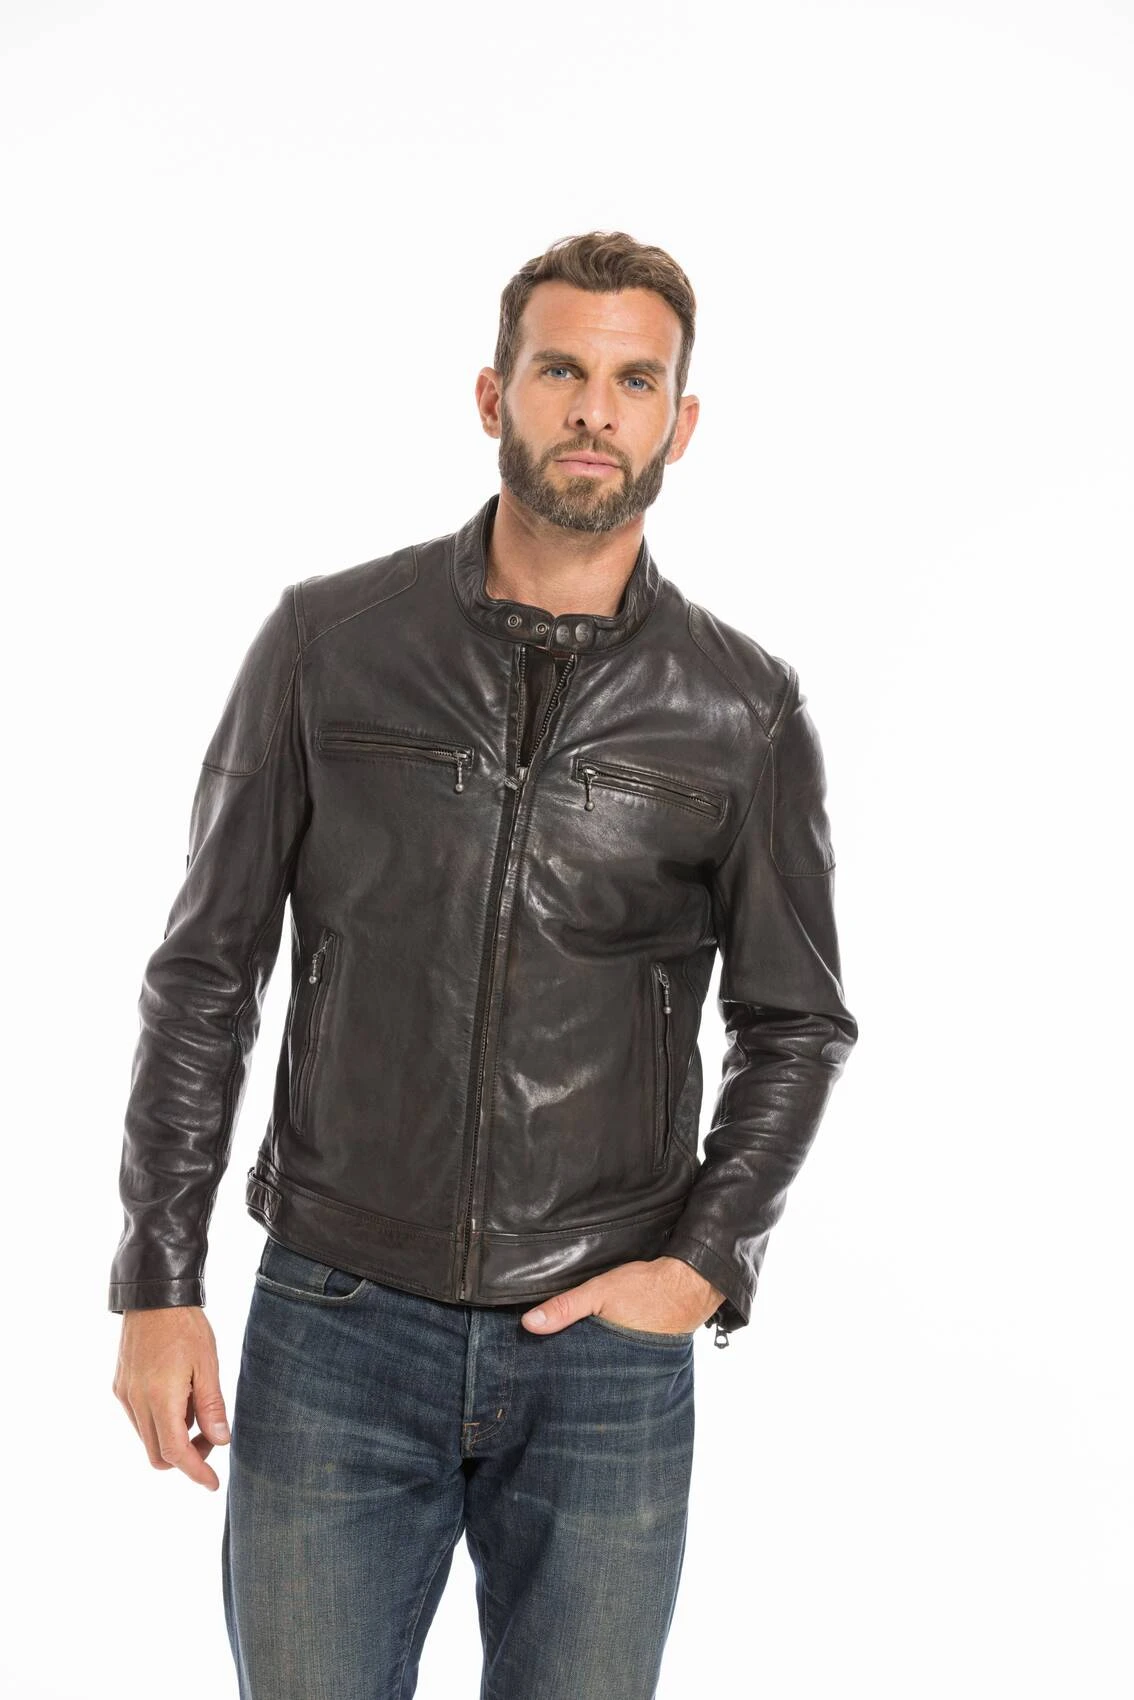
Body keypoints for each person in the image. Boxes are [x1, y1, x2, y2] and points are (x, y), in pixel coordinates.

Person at [109, 228, 859, 1699]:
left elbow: (795, 1022)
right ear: (490, 394)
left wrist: (702, 1266)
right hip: (337, 1318)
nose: (594, 409)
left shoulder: (742, 708)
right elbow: (205, 971)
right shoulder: (330, 642)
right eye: (560, 369)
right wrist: (158, 1277)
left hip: (600, 1348)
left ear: (680, 424)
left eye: (635, 382)